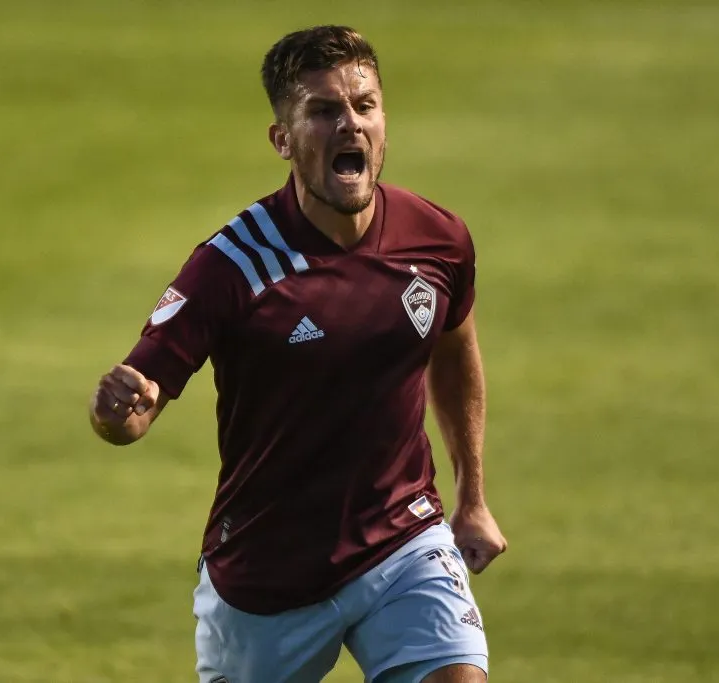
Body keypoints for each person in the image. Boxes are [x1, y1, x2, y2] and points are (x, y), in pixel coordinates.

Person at [87, 24, 507, 683]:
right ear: (282, 140)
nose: (350, 125)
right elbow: (138, 402)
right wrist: (119, 411)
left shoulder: (438, 239)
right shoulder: (231, 265)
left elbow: (453, 353)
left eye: (364, 106)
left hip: (403, 541)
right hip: (267, 572)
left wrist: (472, 494)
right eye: (323, 111)